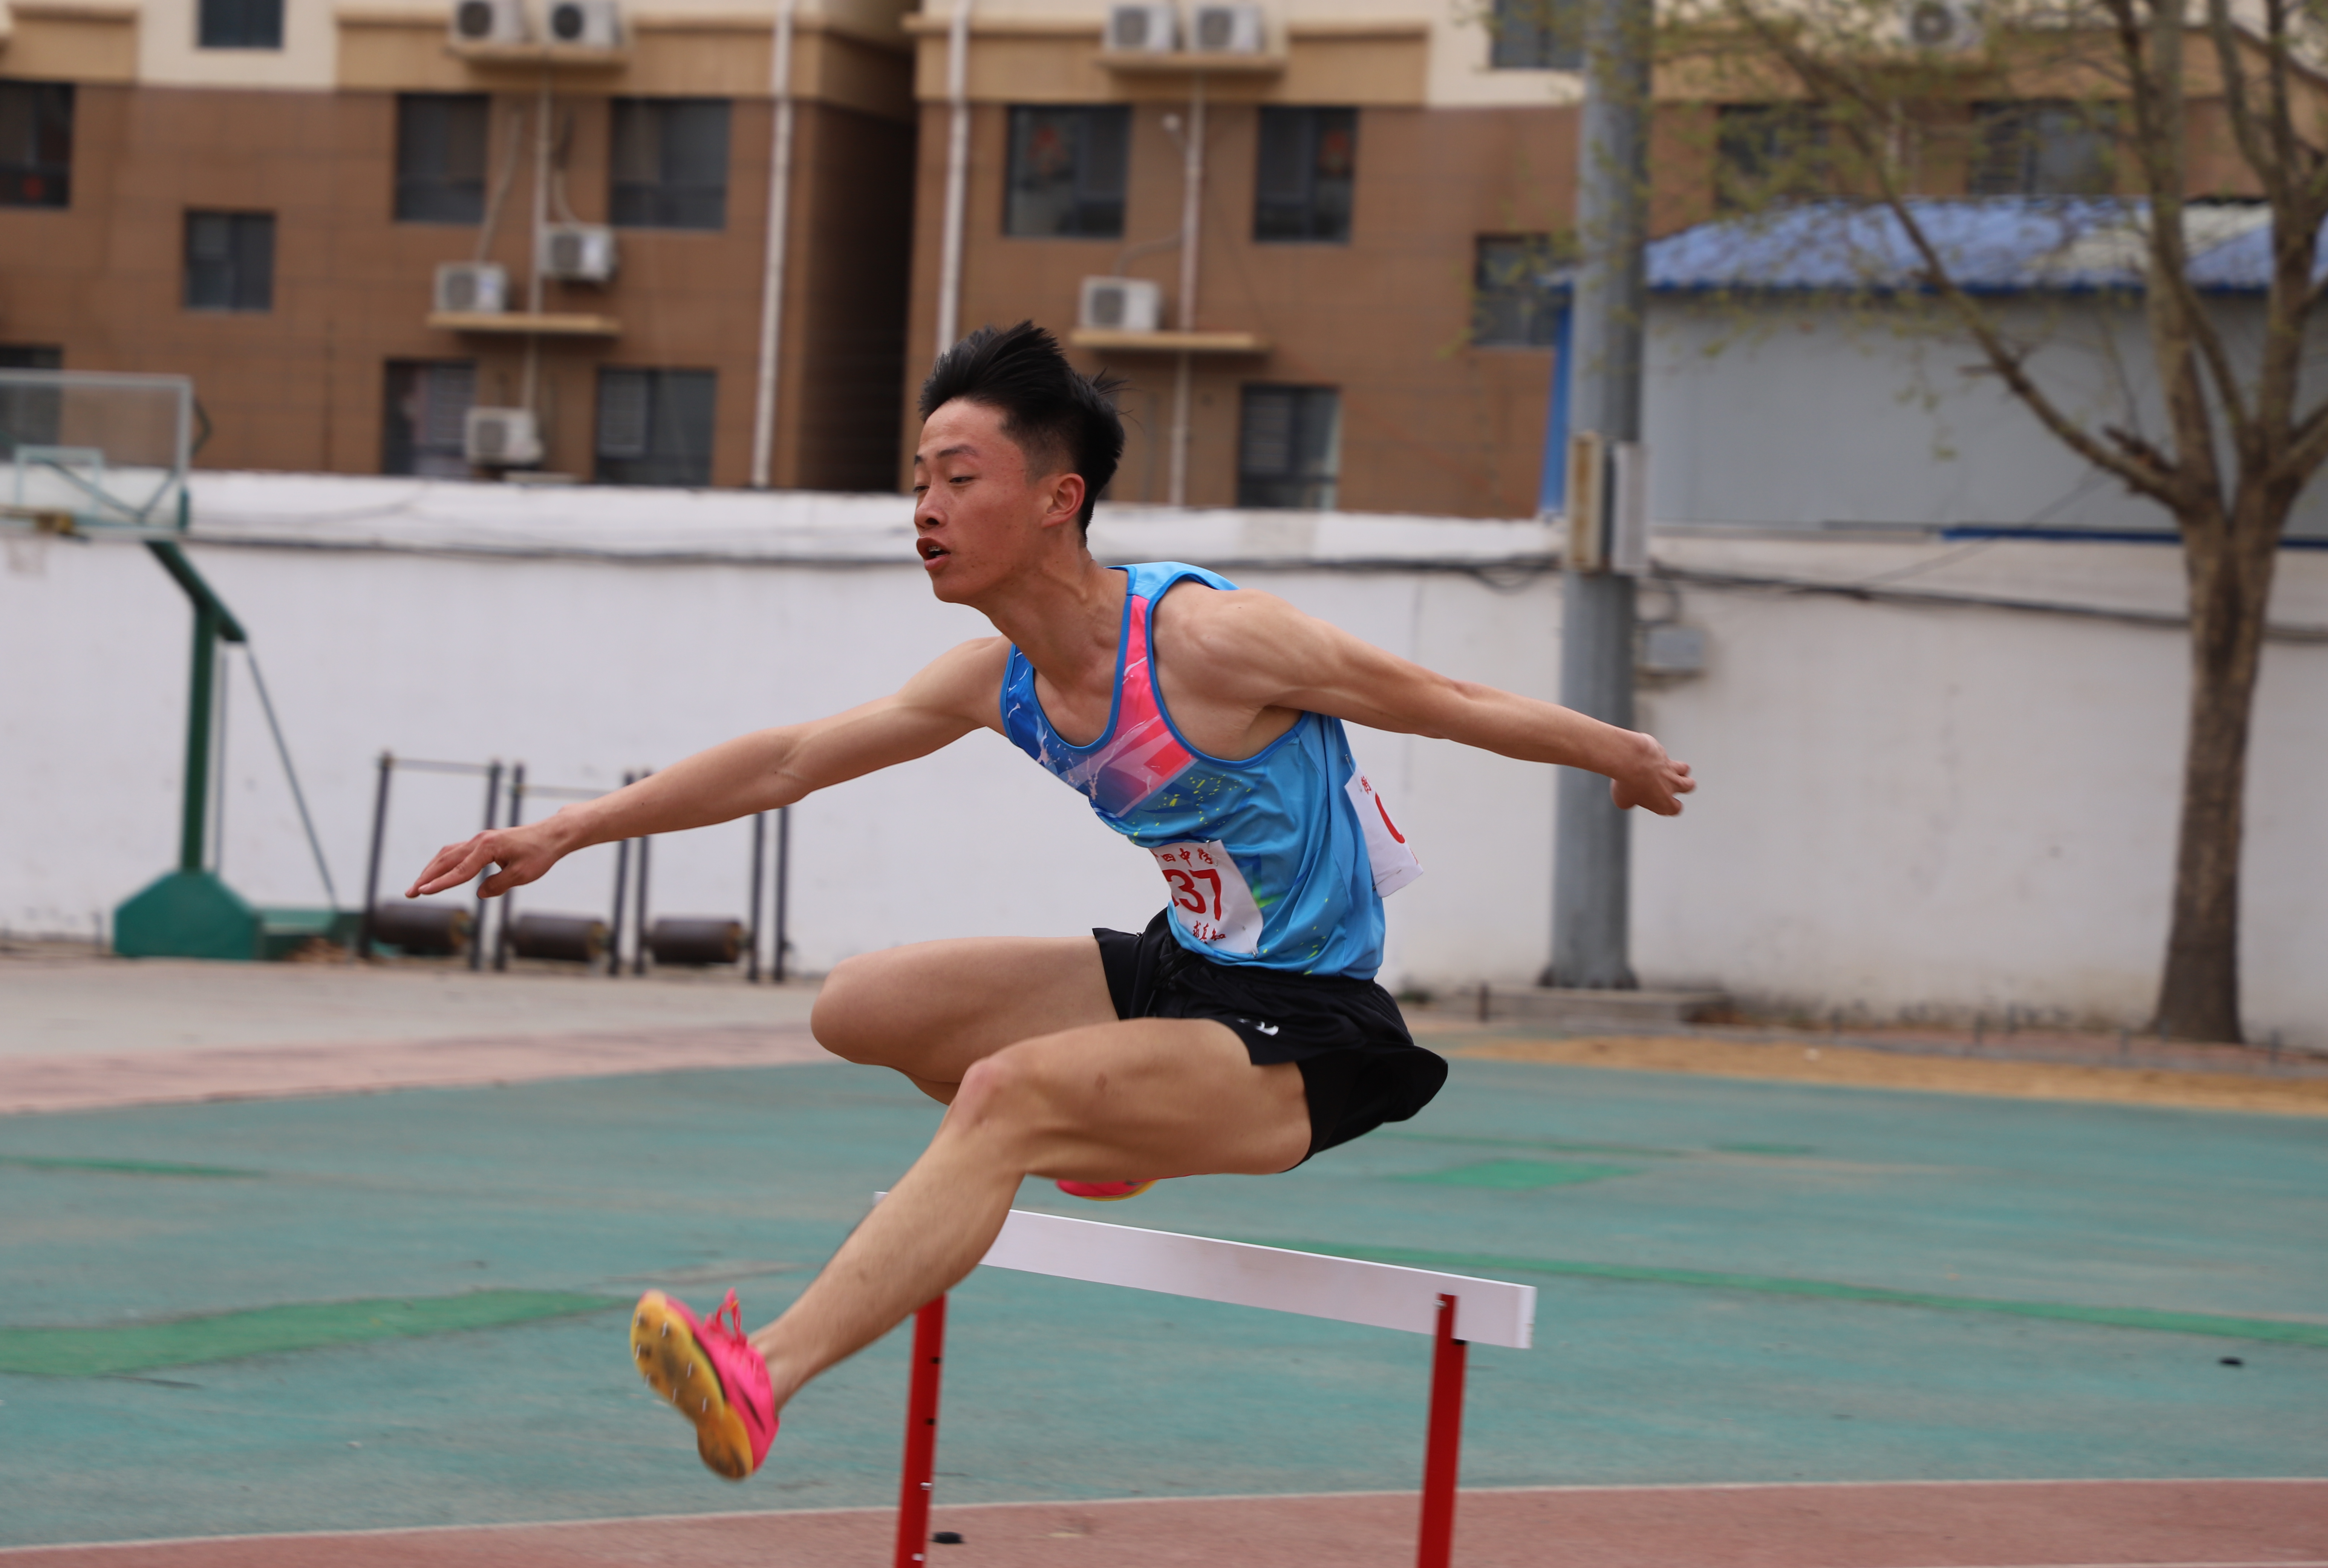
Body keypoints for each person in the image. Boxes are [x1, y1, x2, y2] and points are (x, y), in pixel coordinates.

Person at [405, 323, 1694, 1482]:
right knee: (859, 1008)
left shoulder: (1210, 642)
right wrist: (567, 828)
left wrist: (1623, 754)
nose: (926, 507)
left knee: (1003, 1096)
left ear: (1057, 499)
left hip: (1312, 1030)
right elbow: (791, 759)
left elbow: (1444, 701)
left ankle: (765, 1375)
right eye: (919, 480)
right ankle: (1111, 1139)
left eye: (960, 478)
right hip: (1183, 975)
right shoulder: (1000, 681)